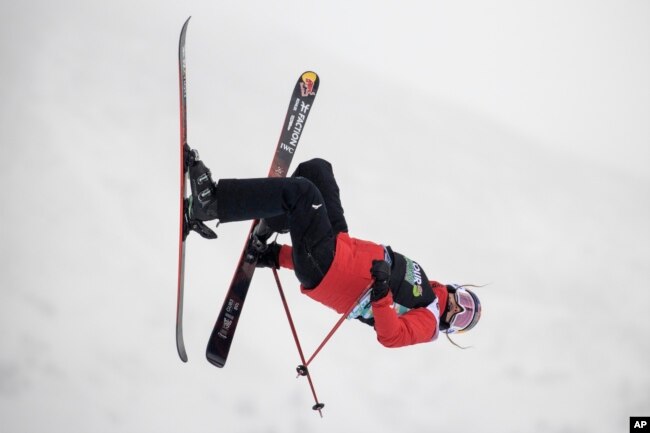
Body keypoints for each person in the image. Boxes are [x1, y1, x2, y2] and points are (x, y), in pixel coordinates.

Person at [187, 154, 481, 348]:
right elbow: (354, 260)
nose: (457, 309)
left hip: (326, 267)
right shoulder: (426, 285)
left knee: (304, 194)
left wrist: (381, 294)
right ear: (458, 289)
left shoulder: (428, 320)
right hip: (337, 248)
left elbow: (391, 337)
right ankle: (271, 222)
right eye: (465, 303)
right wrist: (278, 256)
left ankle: (211, 203)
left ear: (452, 329)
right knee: (317, 171)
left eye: (462, 318)